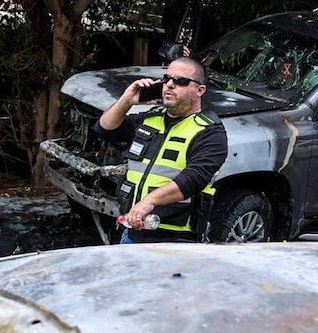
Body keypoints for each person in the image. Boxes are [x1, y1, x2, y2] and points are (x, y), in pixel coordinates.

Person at [97, 57, 228, 243]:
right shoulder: (150, 118)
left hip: (177, 238)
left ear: (200, 90)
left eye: (181, 81)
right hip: (133, 230)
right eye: (167, 79)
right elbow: (104, 129)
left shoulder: (210, 132)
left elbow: (194, 178)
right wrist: (127, 100)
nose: (170, 85)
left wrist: (149, 201)